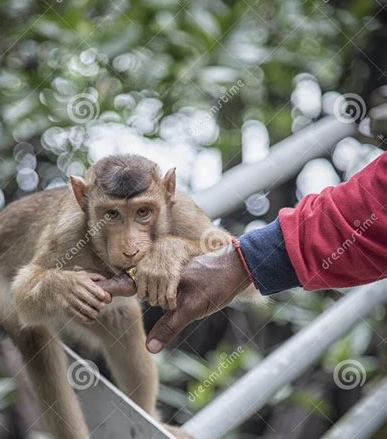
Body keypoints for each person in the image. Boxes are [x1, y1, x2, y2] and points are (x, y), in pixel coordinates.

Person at [142, 151, 387, 354]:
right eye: (111, 215)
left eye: (142, 213)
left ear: (170, 188)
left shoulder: (179, 211)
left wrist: (244, 260)